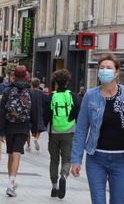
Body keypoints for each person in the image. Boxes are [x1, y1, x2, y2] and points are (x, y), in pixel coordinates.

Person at [71, 53, 124, 204]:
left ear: (117, 72)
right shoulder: (90, 96)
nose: (104, 71)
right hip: (96, 159)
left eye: (109, 68)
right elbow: (81, 130)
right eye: (102, 68)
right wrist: (76, 160)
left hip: (122, 159)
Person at [0, 65, 41, 197]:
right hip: (23, 126)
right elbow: (34, 112)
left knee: (11, 153)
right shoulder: (31, 92)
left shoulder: (8, 91)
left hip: (10, 125)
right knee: (17, 153)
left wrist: (1, 131)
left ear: (14, 76)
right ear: (26, 76)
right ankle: (11, 183)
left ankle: (11, 181)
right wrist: (35, 129)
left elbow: (2, 112)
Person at [44, 69, 81, 199]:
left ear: (55, 82)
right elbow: (78, 110)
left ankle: (54, 187)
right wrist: (71, 120)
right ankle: (64, 175)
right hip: (69, 132)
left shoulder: (51, 96)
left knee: (54, 159)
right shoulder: (72, 95)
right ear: (67, 82)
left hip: (53, 132)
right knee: (67, 158)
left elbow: (46, 114)